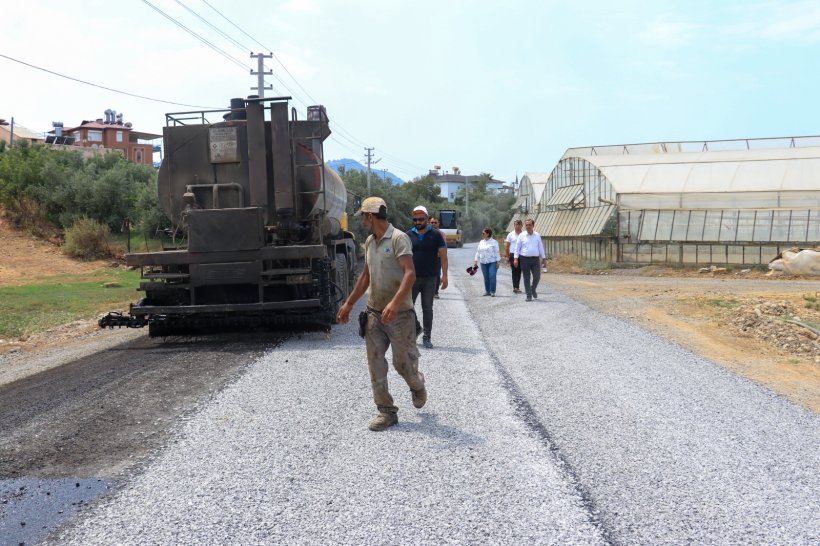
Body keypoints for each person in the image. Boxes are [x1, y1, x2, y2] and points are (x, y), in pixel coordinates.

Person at [336, 197, 427, 432]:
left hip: (401, 315)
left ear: (370, 216)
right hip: (374, 313)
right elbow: (365, 277)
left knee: (402, 364)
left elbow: (410, 274)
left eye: (363, 217)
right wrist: (348, 303)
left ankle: (417, 385)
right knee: (375, 363)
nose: (363, 221)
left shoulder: (398, 238)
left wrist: (395, 304)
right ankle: (386, 411)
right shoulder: (369, 241)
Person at [406, 205, 448, 349]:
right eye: (415, 219)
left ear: (427, 219)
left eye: (421, 219)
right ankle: (413, 331)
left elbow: (443, 256)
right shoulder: (408, 235)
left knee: (427, 308)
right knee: (407, 308)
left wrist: (445, 276)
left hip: (430, 278)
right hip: (411, 278)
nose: (418, 222)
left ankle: (427, 337)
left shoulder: (436, 235)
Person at [512, 218, 546, 302]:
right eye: (526, 225)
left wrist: (544, 258)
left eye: (529, 225)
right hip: (524, 259)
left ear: (533, 226)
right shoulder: (521, 235)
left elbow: (540, 247)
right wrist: (515, 258)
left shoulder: (537, 235)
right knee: (526, 278)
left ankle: (532, 289)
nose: (528, 226)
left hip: (535, 259)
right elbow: (517, 248)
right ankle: (529, 295)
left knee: (537, 277)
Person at [473, 227, 501, 296]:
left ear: (488, 234)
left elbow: (497, 252)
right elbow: (478, 252)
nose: (482, 234)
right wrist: (475, 261)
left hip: (492, 262)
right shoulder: (481, 242)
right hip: (483, 262)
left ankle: (493, 291)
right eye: (482, 233)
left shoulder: (494, 242)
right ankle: (487, 291)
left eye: (483, 233)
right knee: (486, 277)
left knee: (492, 276)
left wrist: (498, 262)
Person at [505, 219, 523, 293]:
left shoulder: (524, 234)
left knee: (519, 270)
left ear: (521, 226)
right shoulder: (510, 234)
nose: (517, 226)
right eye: (515, 224)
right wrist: (507, 256)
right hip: (512, 254)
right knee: (514, 270)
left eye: (518, 224)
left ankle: (517, 286)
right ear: (514, 225)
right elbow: (507, 246)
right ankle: (515, 287)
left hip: (522, 255)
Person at [429, 216, 442, 299]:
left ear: (438, 224)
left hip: (437, 258)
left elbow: (442, 249)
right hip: (426, 257)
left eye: (435, 222)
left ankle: (435, 292)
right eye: (432, 222)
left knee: (437, 274)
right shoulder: (424, 233)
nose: (433, 224)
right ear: (429, 223)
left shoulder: (441, 234)